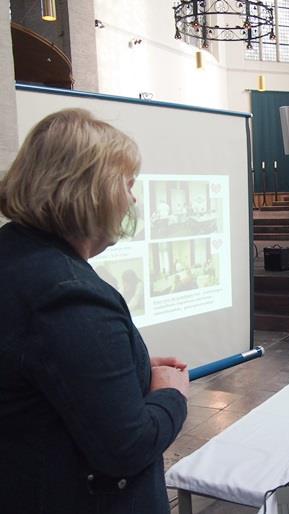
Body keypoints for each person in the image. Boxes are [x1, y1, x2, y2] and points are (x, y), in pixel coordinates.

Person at [0, 109, 189, 514]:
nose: (134, 199)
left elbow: (44, 370)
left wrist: (130, 365)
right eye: (128, 184)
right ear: (92, 190)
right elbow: (127, 446)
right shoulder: (67, 296)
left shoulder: (15, 253)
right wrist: (171, 393)